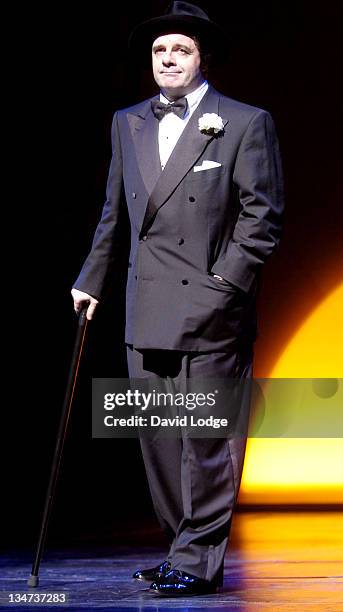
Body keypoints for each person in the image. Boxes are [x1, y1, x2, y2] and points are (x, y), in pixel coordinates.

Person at [71, 0, 284, 597]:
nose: (168, 59)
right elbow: (115, 213)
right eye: (161, 51)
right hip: (147, 305)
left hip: (213, 308)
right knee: (160, 441)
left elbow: (262, 218)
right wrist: (92, 279)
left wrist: (226, 285)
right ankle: (181, 550)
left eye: (180, 50)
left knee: (207, 441)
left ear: (202, 59)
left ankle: (195, 561)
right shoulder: (127, 121)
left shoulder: (244, 121)